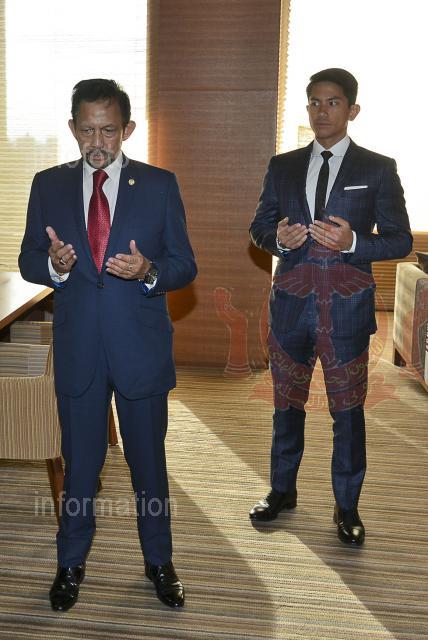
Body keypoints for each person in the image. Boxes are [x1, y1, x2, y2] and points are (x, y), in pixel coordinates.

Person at [19, 79, 197, 611]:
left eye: (109, 131)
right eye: (87, 130)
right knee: (79, 467)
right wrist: (54, 265)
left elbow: (185, 265)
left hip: (140, 350)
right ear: (73, 128)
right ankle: (70, 564)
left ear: (128, 129)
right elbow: (29, 258)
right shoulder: (48, 185)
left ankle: (159, 562)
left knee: (149, 466)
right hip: (80, 352)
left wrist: (148, 271)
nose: (98, 143)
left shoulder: (159, 185)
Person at [248, 68, 412, 544]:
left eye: (333, 102)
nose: (322, 111)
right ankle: (282, 491)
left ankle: (347, 506)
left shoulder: (377, 168)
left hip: (346, 311)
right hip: (290, 309)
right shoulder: (282, 166)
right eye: (315, 103)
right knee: (286, 405)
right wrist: (277, 239)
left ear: (352, 110)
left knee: (348, 412)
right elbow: (258, 228)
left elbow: (400, 239)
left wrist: (353, 241)